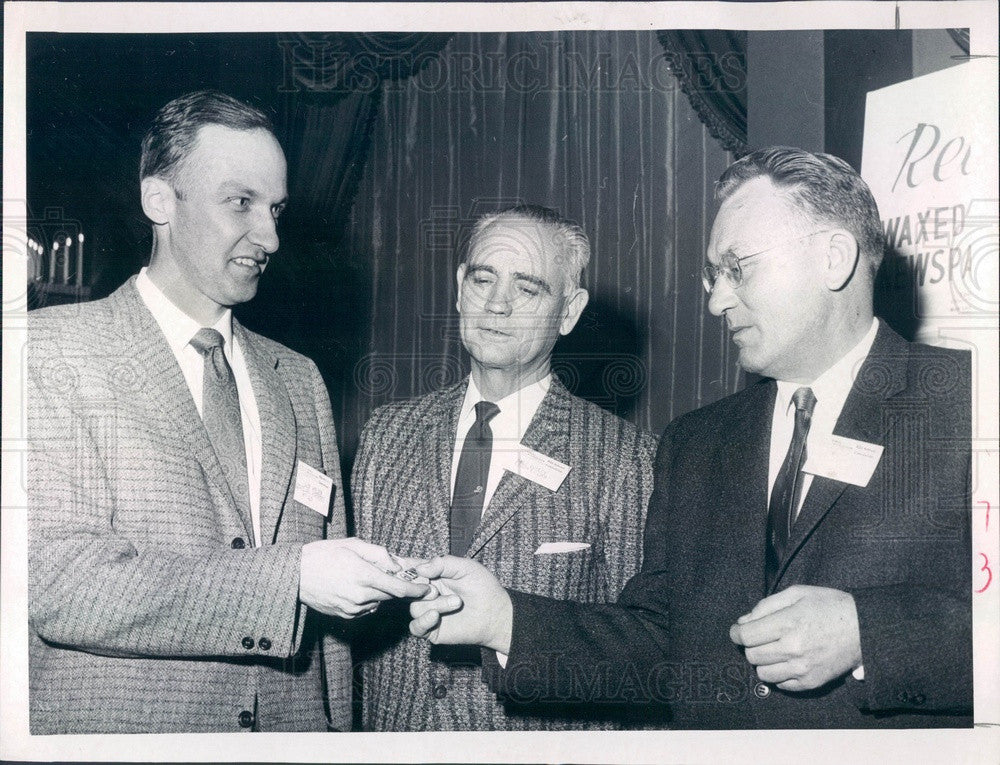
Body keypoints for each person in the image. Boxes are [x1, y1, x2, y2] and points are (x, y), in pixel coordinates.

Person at [409, 148, 972, 729]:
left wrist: (869, 634)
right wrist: (504, 619)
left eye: (738, 267)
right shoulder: (697, 444)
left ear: (834, 258)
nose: (716, 300)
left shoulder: (972, 405)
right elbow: (660, 646)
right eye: (712, 274)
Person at [26, 91, 427, 734]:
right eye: (240, 202)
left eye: (276, 209)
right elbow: (60, 583)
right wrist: (291, 578)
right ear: (159, 200)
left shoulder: (298, 379)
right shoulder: (51, 352)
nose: (269, 236)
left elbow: (330, 646)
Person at [353, 205, 657, 730]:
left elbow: (644, 651)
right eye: (483, 278)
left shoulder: (625, 458)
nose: (496, 304)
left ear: (569, 311)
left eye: (527, 288)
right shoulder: (387, 433)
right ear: (458, 288)